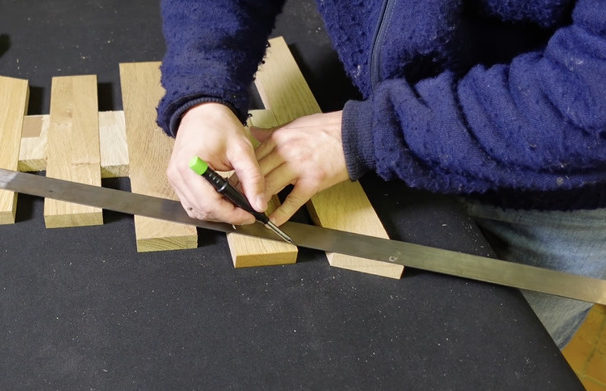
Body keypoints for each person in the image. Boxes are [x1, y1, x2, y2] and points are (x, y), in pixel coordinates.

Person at [155, 0, 606, 349]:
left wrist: (378, 132)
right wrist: (202, 88)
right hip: (363, 121)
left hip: (551, 186)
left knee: (491, 387)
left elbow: (592, 98)